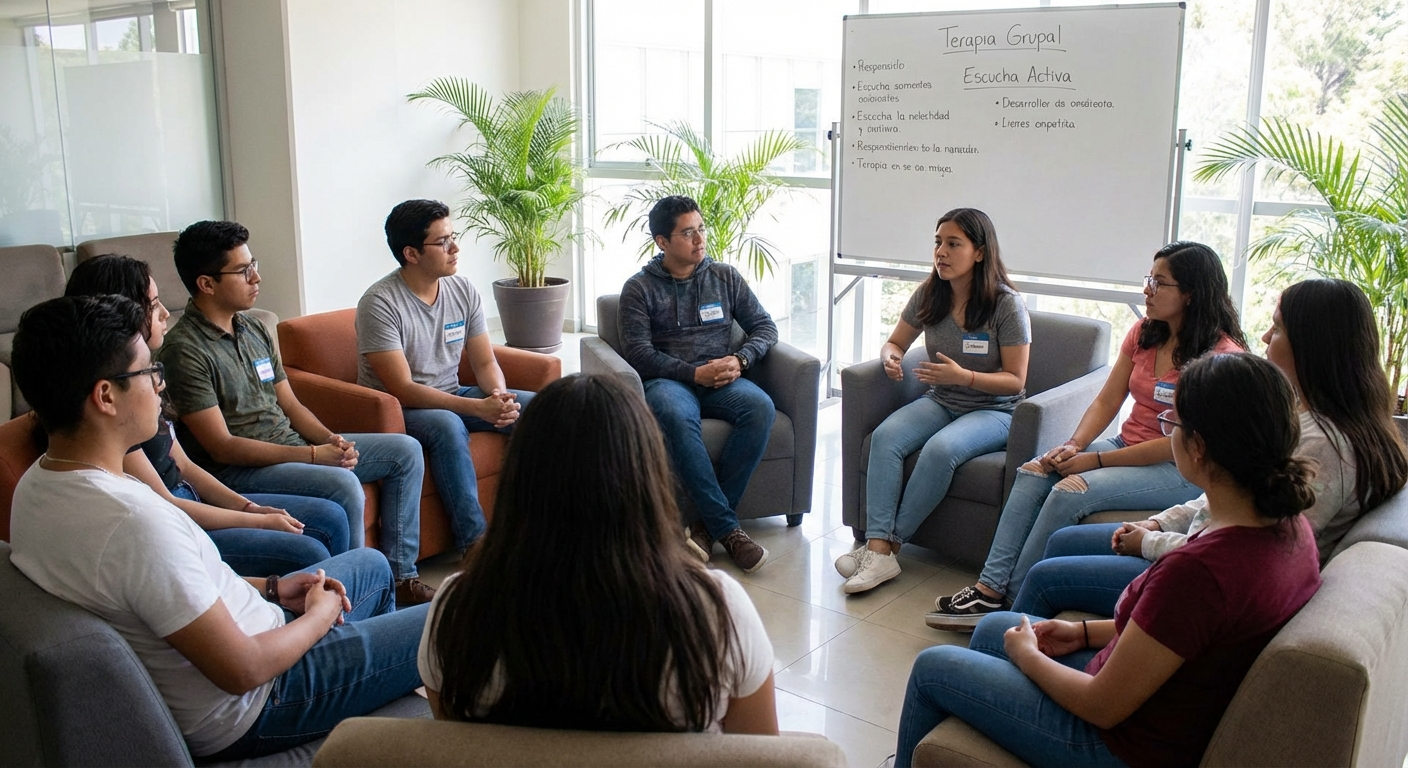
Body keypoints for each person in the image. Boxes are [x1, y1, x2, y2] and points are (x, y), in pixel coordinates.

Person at [8, 295, 428, 760]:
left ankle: (377, 697)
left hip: (256, 635)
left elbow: (159, 594)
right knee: (455, 618)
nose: (160, 386)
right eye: (149, 372)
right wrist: (318, 617)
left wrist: (271, 587)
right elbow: (243, 670)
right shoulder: (132, 522)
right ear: (105, 396)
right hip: (257, 702)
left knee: (370, 564)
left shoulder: (40, 484)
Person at [894, 352, 1322, 768]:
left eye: (1173, 423)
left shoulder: (1199, 572)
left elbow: (1100, 706)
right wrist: (1081, 634)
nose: (1168, 430)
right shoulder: (1288, 527)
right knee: (993, 627)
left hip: (1116, 746)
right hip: (1156, 705)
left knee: (933, 667)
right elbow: (1179, 635)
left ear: (1199, 448)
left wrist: (1029, 657)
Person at [1012, 278, 1408, 618]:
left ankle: (1010, 651)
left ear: (1314, 345)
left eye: (1278, 329)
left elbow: (1254, 556)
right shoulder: (1305, 415)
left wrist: (1149, 542)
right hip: (1199, 547)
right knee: (1063, 541)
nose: (1266, 338)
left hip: (1208, 578)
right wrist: (1159, 523)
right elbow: (1225, 504)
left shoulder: (1323, 445)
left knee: (1047, 576)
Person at [418, 373, 778, 734]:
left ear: (519, 478)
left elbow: (459, 749)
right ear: (647, 479)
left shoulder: (455, 608)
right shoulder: (717, 609)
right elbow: (759, 756)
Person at [928, 241, 1246, 629]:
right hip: (1124, 446)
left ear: (1191, 293)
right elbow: (1107, 400)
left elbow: (1174, 442)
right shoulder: (1145, 332)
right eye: (1149, 279)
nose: (1147, 289)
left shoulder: (1220, 358)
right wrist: (1073, 445)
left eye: (1159, 283)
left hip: (1175, 465)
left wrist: (1093, 460)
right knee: (1034, 470)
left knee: (1068, 489)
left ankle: (1018, 604)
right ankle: (989, 590)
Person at [157, 221, 434, 605]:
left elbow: (289, 403)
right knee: (343, 485)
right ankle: (349, 597)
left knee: (404, 451)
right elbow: (221, 447)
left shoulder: (254, 328)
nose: (257, 277)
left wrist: (329, 440)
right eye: (243, 271)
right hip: (242, 468)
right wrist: (312, 456)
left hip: (291, 447)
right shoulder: (184, 350)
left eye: (253, 264)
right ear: (206, 283)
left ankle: (398, 576)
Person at [61, 254, 350, 577]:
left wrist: (249, 507)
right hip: (176, 518)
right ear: (120, 312)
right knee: (311, 543)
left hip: (192, 496)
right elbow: (166, 500)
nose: (166, 313)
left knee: (331, 516)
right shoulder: (119, 404)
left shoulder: (144, 379)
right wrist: (257, 518)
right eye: (154, 305)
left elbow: (183, 465)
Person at [836, 208, 1030, 594]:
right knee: (885, 437)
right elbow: (896, 342)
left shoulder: (1007, 305)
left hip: (995, 409)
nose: (941, 252)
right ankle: (878, 547)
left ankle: (888, 547)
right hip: (943, 398)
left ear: (979, 252)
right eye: (938, 242)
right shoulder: (929, 294)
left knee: (941, 450)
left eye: (953, 243)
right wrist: (890, 357)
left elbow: (1016, 380)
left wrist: (966, 376)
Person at [356, 199, 534, 552]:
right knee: (447, 425)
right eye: (443, 242)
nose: (455, 248)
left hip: (452, 393)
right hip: (401, 410)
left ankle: (541, 524)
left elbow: (484, 363)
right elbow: (403, 389)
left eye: (454, 236)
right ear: (411, 253)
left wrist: (498, 397)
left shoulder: (463, 290)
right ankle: (476, 546)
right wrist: (478, 409)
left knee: (541, 408)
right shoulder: (380, 303)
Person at [618, 195, 779, 573]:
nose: (699, 239)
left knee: (760, 407)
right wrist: (692, 374)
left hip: (721, 379)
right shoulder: (639, 289)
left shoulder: (724, 277)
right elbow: (638, 353)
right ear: (662, 242)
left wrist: (740, 359)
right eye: (687, 233)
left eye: (701, 229)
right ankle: (731, 531)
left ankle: (707, 527)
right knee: (675, 416)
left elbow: (765, 327)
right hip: (669, 382)